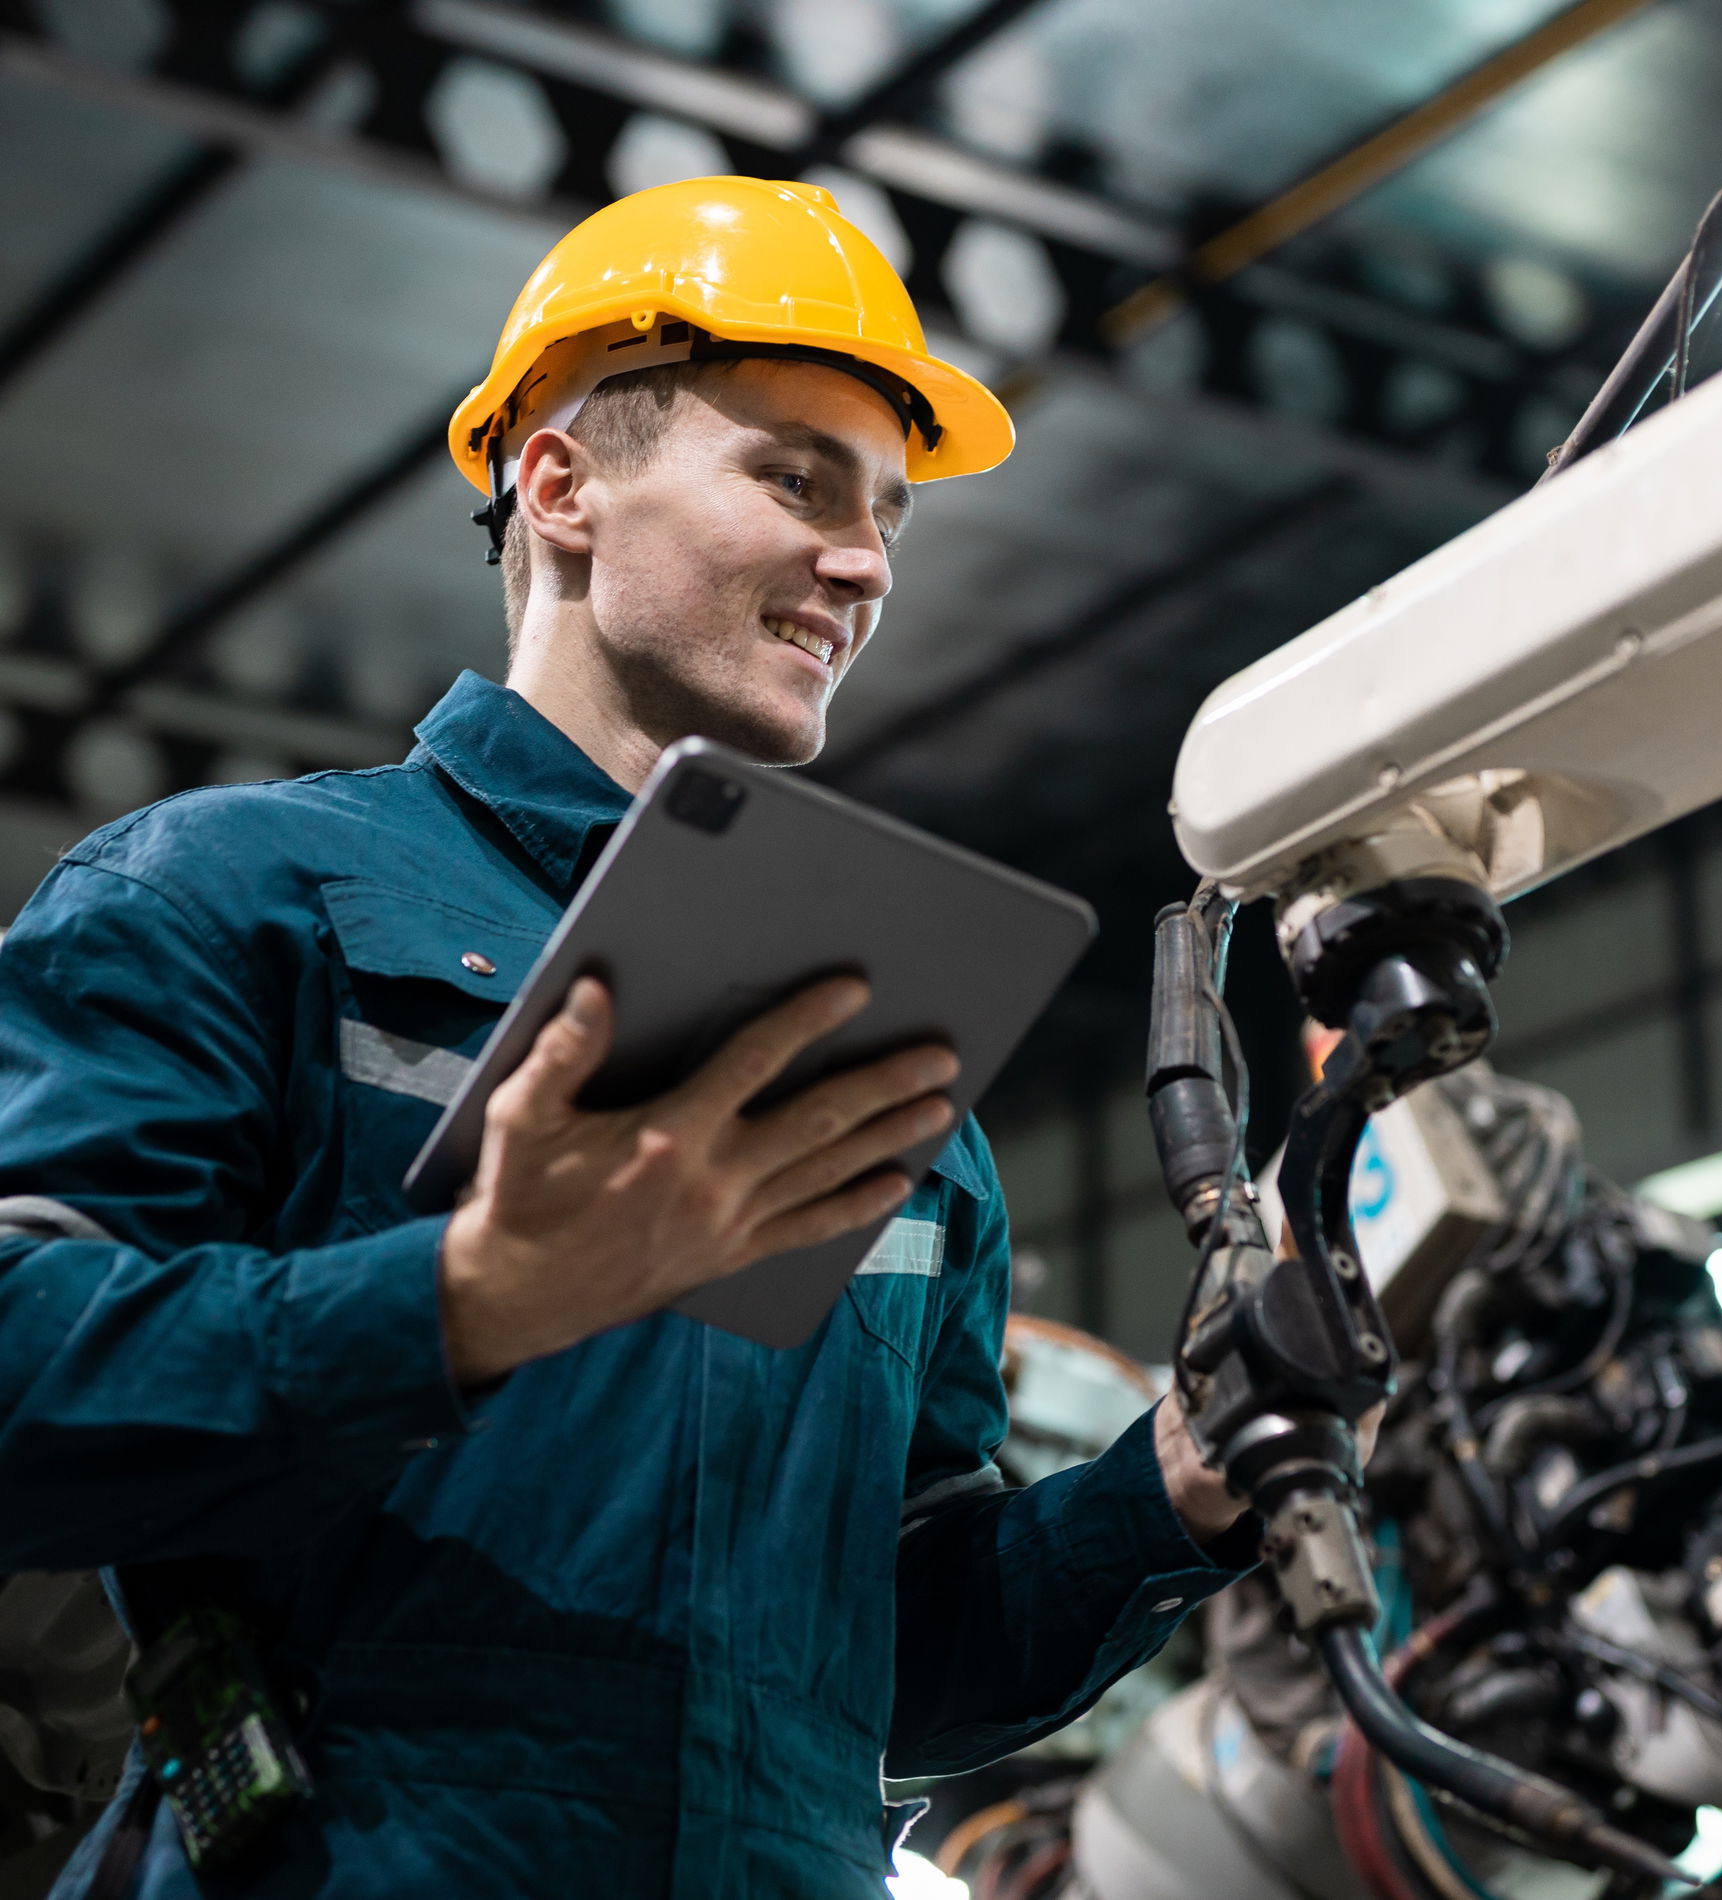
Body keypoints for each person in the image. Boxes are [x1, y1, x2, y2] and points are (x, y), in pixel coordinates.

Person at [0, 177, 1255, 1900]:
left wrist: (1174, 1488)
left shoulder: (880, 1061)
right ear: (563, 480)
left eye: (889, 513)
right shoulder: (238, 895)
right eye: (795, 478)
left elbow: (896, 1658)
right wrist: (460, 1305)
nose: (867, 562)